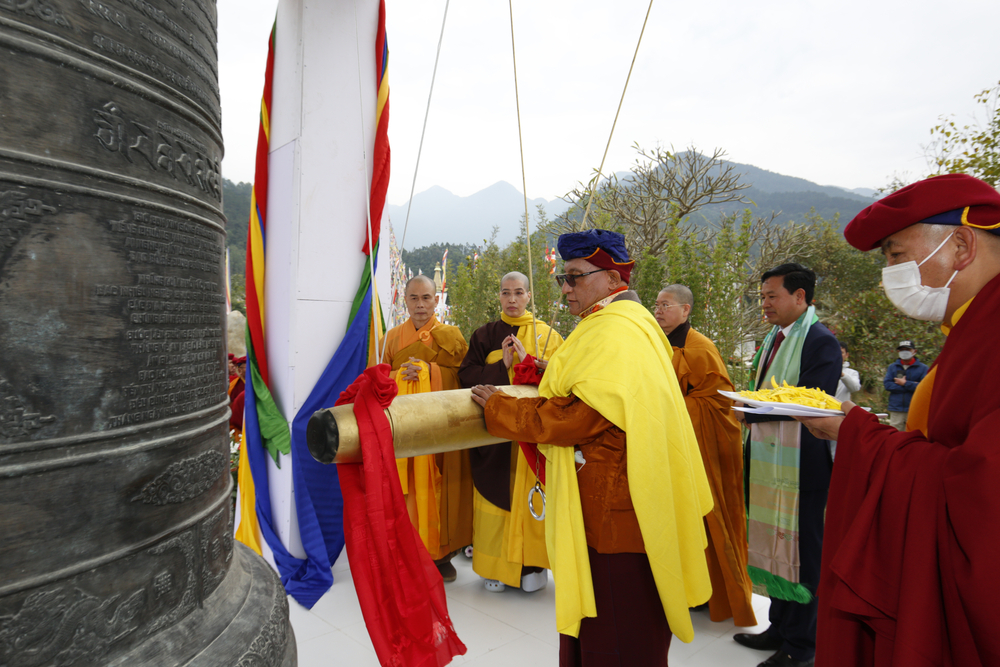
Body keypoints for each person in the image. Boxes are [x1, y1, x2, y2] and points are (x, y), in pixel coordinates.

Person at [471, 229, 713, 667]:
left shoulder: (616, 331)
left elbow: (577, 417)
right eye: (563, 278)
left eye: (576, 277)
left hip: (615, 512)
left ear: (612, 278)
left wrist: (501, 409)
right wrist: (541, 372)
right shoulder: (626, 322)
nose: (565, 288)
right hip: (621, 497)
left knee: (617, 633)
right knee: (610, 628)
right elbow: (595, 388)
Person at [794, 173, 1000, 665]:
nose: (889, 272)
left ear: (962, 245)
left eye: (895, 254)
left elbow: (982, 492)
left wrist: (857, 434)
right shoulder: (973, 326)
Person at [732, 263, 841, 667]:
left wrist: (749, 414)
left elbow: (811, 403)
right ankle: (779, 627)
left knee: (804, 552)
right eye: (762, 297)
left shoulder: (820, 341)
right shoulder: (774, 338)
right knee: (772, 543)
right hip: (767, 459)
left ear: (800, 296)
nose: (765, 304)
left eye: (772, 296)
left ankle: (803, 645)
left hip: (803, 466)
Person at [654, 284, 756, 627]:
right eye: (656, 305)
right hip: (670, 448)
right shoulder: (657, 344)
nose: (658, 310)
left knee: (709, 515)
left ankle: (716, 593)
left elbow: (718, 403)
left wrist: (670, 409)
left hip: (703, 449)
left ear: (686, 310)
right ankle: (682, 588)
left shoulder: (700, 347)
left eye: (666, 305)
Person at [458, 271, 564, 593]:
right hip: (495, 439)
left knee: (532, 500)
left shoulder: (548, 335)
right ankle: (493, 568)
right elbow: (465, 378)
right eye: (506, 293)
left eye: (519, 293)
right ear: (499, 296)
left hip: (532, 435)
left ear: (529, 296)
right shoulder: (485, 335)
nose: (513, 299)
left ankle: (532, 569)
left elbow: (562, 383)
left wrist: (530, 362)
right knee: (495, 502)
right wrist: (500, 366)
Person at [376, 274, 473, 581]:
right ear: (404, 300)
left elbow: (463, 380)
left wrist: (430, 371)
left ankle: (441, 555)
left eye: (426, 298)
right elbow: (373, 382)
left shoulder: (452, 336)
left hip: (439, 426)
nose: (420, 305)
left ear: (436, 300)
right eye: (414, 298)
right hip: (402, 429)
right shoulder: (389, 340)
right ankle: (404, 553)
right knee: (404, 489)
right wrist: (398, 376)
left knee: (439, 485)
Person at [882, 340, 929, 430]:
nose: (904, 352)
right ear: (898, 352)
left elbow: (923, 387)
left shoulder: (923, 368)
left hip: (914, 408)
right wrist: (911, 385)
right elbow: (888, 385)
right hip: (896, 408)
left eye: (907, 349)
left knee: (913, 433)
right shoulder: (893, 367)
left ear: (914, 351)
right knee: (895, 434)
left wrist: (905, 383)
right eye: (902, 350)